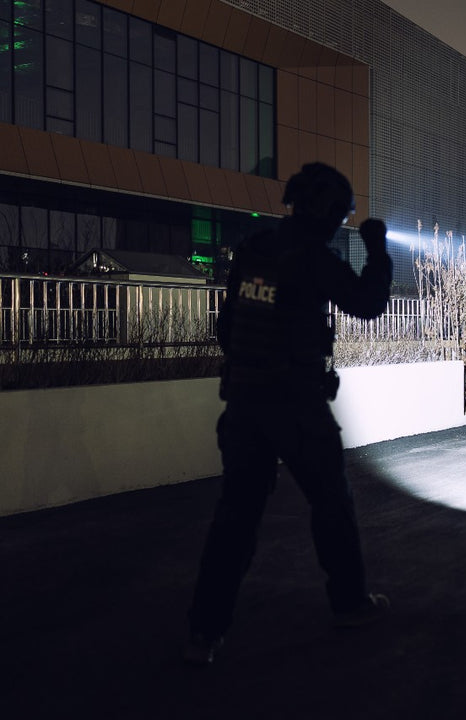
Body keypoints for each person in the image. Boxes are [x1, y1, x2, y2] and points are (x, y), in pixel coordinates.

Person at [184, 162, 393, 665]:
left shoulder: (255, 250)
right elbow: (367, 303)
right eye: (341, 216)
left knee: (235, 518)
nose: (340, 224)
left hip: (243, 404)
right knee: (332, 503)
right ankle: (348, 604)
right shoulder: (313, 259)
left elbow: (227, 327)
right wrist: (376, 248)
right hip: (295, 404)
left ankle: (204, 634)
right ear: (325, 212)